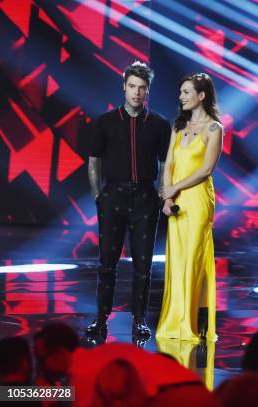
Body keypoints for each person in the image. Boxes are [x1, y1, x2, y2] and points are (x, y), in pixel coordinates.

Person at [86, 61, 171, 341]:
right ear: (124, 86)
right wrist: (99, 195)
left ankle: (139, 320)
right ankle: (101, 319)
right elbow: (94, 161)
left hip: (145, 197)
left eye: (142, 88)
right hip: (114, 196)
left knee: (143, 265)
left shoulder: (159, 124)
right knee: (107, 262)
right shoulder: (106, 122)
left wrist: (161, 193)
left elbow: (167, 163)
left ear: (148, 91)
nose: (136, 92)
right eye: (132, 86)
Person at [155, 72, 223, 342]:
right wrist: (168, 197)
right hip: (177, 200)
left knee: (195, 259)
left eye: (186, 92)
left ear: (201, 95)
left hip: (198, 201)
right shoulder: (178, 126)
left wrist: (176, 188)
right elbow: (168, 164)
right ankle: (176, 321)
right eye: (181, 92)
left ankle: (194, 323)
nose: (181, 97)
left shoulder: (214, 128)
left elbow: (206, 169)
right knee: (178, 259)